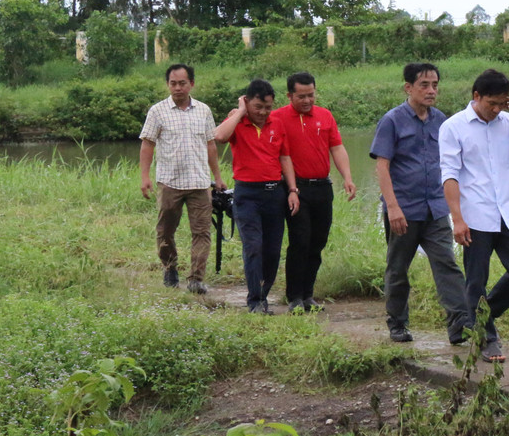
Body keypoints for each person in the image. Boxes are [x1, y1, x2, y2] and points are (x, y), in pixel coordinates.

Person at [439, 68, 509, 362]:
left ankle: (478, 319)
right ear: (476, 96)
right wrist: (457, 219)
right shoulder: (453, 127)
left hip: (508, 212)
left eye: (501, 104)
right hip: (474, 215)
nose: (496, 110)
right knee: (476, 281)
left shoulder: (508, 123)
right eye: (491, 104)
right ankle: (488, 338)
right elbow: (449, 175)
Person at [370, 62, 470, 344]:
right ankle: (398, 323)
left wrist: (457, 209)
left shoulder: (442, 121)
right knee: (398, 267)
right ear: (408, 88)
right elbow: (382, 166)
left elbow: (454, 164)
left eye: (435, 85)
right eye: (424, 85)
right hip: (403, 209)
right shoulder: (392, 120)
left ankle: (459, 325)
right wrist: (392, 207)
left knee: (447, 264)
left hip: (436, 208)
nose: (431, 91)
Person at [271, 70, 357, 311]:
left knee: (318, 242)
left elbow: (337, 148)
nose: (307, 101)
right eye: (301, 96)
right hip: (294, 189)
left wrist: (347, 177)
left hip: (322, 188)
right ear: (289, 95)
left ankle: (308, 294)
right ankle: (294, 297)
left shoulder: (325, 116)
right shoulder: (277, 118)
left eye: (311, 95)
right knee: (300, 241)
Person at [214, 79, 299, 315]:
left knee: (272, 250)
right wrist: (240, 112)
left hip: (275, 194)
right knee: (253, 247)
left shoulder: (277, 123)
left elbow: (285, 158)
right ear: (246, 102)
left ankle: (263, 296)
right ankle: (254, 301)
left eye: (268, 107)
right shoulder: (237, 122)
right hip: (247, 195)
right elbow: (219, 136)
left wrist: (292, 190)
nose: (263, 112)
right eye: (257, 107)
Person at [139, 63, 226, 295]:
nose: (177, 88)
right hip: (170, 182)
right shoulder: (157, 111)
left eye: (182, 83)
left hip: (199, 183)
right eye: (173, 83)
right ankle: (170, 269)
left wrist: (217, 177)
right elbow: (147, 143)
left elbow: (210, 145)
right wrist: (145, 176)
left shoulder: (204, 111)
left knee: (202, 232)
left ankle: (196, 279)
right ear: (168, 84)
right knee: (165, 231)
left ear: (192, 84)